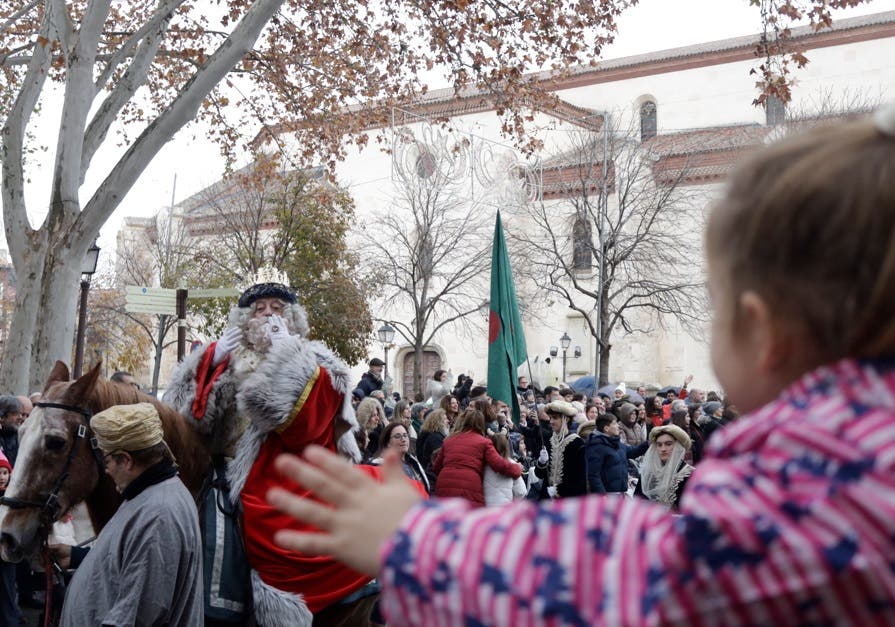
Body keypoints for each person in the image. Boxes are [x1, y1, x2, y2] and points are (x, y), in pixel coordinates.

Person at [264, 109, 895, 625]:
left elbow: (642, 573)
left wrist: (421, 545)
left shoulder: (826, 474)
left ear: (762, 332)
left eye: (715, 297)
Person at [164, 269, 375, 625]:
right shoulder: (223, 358)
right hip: (222, 468)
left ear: (291, 318)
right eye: (259, 308)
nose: (268, 314)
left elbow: (309, 427)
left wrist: (291, 361)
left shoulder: (316, 359)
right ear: (246, 320)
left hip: (289, 469)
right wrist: (207, 366)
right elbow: (185, 421)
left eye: (277, 307)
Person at [56, 403, 202, 626]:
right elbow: (131, 563)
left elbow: (137, 615)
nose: (106, 470)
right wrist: (75, 557)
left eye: (107, 461)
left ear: (126, 460)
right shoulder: (151, 492)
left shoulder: (158, 516)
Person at [431, 409, 521, 506]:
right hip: (469, 485)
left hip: (444, 484)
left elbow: (436, 467)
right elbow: (499, 464)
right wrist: (516, 469)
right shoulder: (484, 442)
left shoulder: (449, 440)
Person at [584, 413, 649, 494]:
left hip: (621, 492)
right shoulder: (596, 446)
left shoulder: (617, 443)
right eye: (614, 424)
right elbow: (593, 475)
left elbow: (632, 452)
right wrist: (602, 496)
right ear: (606, 428)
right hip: (608, 495)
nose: (618, 426)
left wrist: (648, 444)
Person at [534, 400, 586, 499]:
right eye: (550, 418)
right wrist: (541, 462)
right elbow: (539, 475)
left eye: (555, 418)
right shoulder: (549, 441)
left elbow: (580, 479)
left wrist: (558, 490)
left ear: (566, 419)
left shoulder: (577, 443)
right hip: (547, 498)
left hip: (568, 500)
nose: (551, 421)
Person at [633, 424, 693, 508]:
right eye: (659, 445)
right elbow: (637, 502)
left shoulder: (690, 475)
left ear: (678, 447)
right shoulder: (648, 473)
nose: (663, 449)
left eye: (668, 444)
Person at [370, 423, 429, 494]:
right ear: (388, 443)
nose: (403, 439)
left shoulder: (413, 462)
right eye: (398, 436)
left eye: (405, 435)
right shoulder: (379, 466)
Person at [0, 449, 18, 627]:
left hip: (6, 555)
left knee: (8, 590)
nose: (2, 477)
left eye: (5, 473)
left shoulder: (12, 499)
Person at [482, 434, 526, 506]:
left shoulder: (483, 464)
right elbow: (521, 492)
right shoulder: (512, 465)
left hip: (486, 509)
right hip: (504, 509)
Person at [415, 408, 449, 489]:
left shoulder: (432, 435)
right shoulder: (435, 438)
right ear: (437, 421)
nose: (447, 421)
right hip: (434, 477)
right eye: (445, 419)